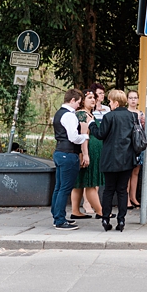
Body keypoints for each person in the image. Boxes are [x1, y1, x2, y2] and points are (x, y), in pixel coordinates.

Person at [89, 89, 137, 232]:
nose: (109, 103)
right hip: (127, 158)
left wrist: (92, 124)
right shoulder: (132, 116)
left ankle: (105, 219)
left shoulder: (109, 116)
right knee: (122, 190)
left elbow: (100, 134)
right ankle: (121, 220)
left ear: (116, 102)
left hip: (110, 158)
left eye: (110, 101)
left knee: (109, 190)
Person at [51, 89, 90, 230]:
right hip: (68, 154)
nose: (79, 106)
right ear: (72, 100)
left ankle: (57, 215)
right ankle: (60, 220)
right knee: (65, 188)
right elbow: (73, 137)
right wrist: (85, 136)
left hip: (59, 152)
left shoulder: (59, 113)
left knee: (59, 187)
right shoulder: (69, 116)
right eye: (78, 102)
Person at [71, 89, 105, 220]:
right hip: (87, 153)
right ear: (82, 101)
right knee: (90, 183)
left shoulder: (90, 114)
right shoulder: (81, 114)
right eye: (90, 97)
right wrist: (83, 154)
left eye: (94, 98)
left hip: (92, 153)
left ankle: (75, 211)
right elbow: (83, 136)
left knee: (80, 183)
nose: (93, 100)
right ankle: (101, 211)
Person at [125, 90, 144, 209]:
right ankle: (126, 198)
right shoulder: (125, 113)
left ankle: (133, 196)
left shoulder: (141, 113)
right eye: (131, 98)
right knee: (127, 172)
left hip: (138, 145)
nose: (133, 100)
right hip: (128, 145)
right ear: (127, 99)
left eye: (135, 98)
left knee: (136, 172)